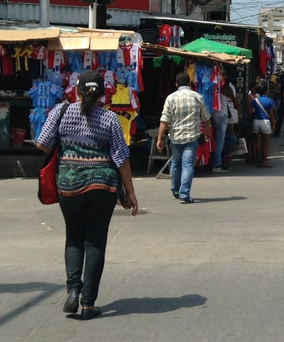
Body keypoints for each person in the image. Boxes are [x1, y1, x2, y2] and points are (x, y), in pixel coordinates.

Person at [37, 71, 137, 320]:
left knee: (73, 238)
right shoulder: (110, 119)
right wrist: (131, 193)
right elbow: (121, 158)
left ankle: (73, 291)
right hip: (103, 187)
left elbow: (42, 144)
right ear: (103, 94)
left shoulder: (60, 111)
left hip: (69, 186)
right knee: (95, 242)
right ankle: (88, 302)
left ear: (77, 91)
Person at [157, 67, 210, 203]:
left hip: (175, 137)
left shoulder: (171, 98)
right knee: (187, 165)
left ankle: (175, 190)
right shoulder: (198, 97)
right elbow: (206, 118)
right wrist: (207, 133)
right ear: (190, 83)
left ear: (176, 84)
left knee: (176, 163)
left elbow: (164, 120)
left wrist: (159, 139)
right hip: (192, 137)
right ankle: (184, 194)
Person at [210, 68, 235, 173]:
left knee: (212, 139)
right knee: (220, 141)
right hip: (221, 117)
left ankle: (212, 161)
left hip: (211, 115)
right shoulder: (227, 89)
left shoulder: (212, 86)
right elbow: (236, 103)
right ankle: (217, 164)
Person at [249, 81, 276, 168]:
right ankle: (264, 161)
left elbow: (250, 111)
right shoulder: (269, 101)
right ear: (266, 91)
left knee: (258, 142)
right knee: (266, 143)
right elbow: (271, 114)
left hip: (256, 121)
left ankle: (258, 160)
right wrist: (274, 124)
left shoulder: (255, 100)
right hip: (266, 122)